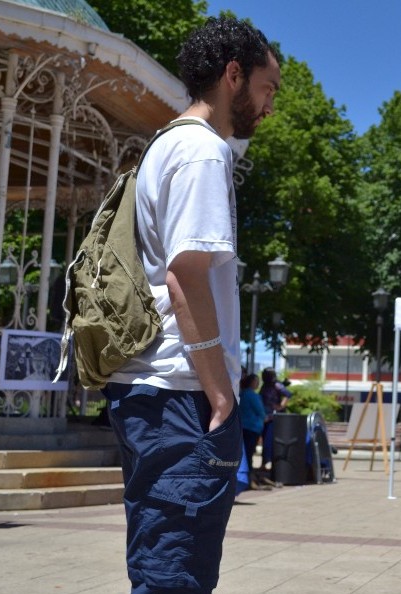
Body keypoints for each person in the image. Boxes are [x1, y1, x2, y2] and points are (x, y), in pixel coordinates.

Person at [101, 17, 280, 593]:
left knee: (161, 560)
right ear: (234, 75)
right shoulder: (202, 152)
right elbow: (185, 278)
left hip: (155, 393)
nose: (269, 107)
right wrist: (222, 393)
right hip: (183, 396)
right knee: (177, 572)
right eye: (267, 88)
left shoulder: (165, 143)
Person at [258, 367, 291, 472]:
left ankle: (269, 463)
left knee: (269, 440)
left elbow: (287, 394)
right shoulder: (265, 385)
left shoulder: (276, 384)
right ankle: (265, 462)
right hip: (265, 417)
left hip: (273, 418)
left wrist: (281, 406)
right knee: (265, 440)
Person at [238, 373, 266, 480]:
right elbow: (261, 412)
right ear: (252, 382)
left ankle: (245, 476)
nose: (258, 383)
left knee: (245, 453)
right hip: (252, 427)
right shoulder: (253, 395)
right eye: (257, 381)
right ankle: (249, 478)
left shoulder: (242, 394)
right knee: (250, 454)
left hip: (243, 427)